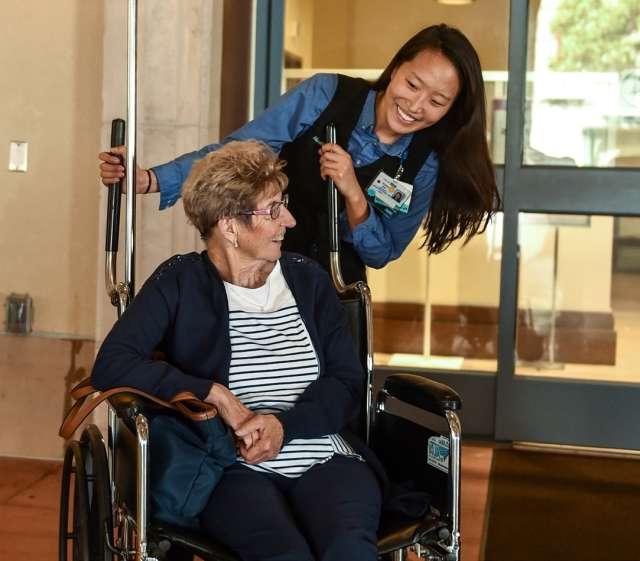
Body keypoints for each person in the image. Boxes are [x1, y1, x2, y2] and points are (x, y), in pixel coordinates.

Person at [92, 140, 383, 561]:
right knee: (283, 554)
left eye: (284, 205)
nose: (290, 220)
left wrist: (285, 426)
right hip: (230, 467)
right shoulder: (180, 283)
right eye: (273, 210)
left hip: (324, 455)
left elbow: (346, 382)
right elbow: (112, 364)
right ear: (229, 225)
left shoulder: (309, 281)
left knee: (348, 550)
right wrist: (215, 394)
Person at [99, 23, 499, 283]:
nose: (416, 105)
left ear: (450, 109)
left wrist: (353, 193)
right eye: (413, 84)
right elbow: (238, 152)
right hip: (258, 275)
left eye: (437, 100)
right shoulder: (326, 94)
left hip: (334, 294)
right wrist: (150, 180)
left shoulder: (422, 163)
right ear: (395, 70)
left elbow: (381, 253)